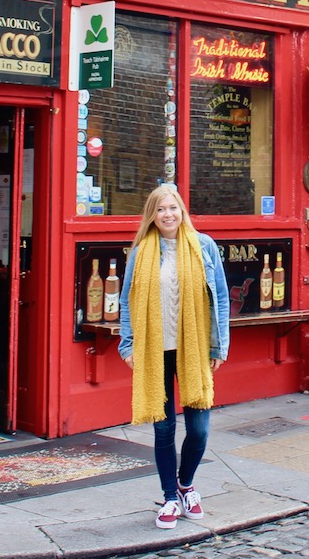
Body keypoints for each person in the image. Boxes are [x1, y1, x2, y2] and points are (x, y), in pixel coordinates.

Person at [118, 184, 230, 530]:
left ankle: (186, 484)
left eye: (173, 208)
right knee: (164, 429)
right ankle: (169, 496)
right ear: (152, 216)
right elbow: (126, 300)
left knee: (199, 430)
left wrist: (219, 346)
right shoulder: (141, 252)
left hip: (194, 349)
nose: (168, 215)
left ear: (182, 211)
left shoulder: (203, 246)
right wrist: (128, 345)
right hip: (154, 352)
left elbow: (221, 298)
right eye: (161, 209)